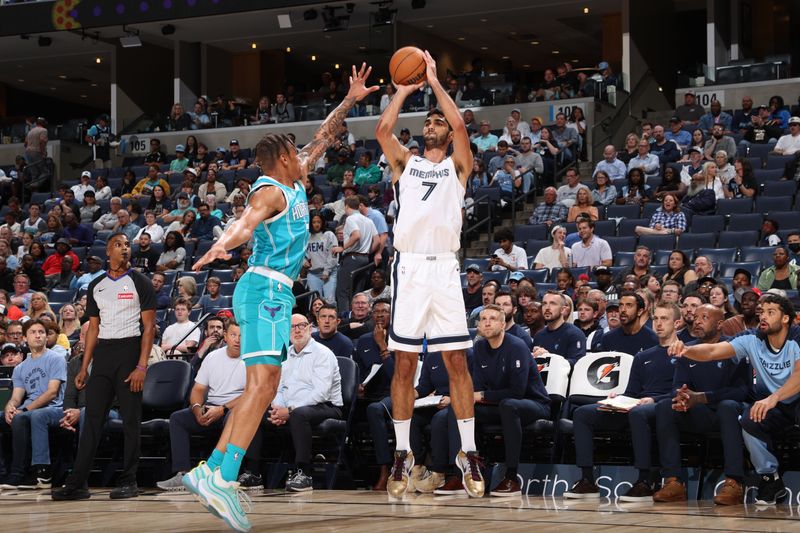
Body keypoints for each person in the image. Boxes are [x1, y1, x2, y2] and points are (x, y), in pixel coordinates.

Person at [181, 64, 375, 531]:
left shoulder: (293, 176)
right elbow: (245, 221)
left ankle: (212, 473)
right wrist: (221, 244)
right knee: (264, 386)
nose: (304, 153)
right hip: (264, 287)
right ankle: (220, 476)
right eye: (296, 150)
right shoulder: (270, 191)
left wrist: (350, 99)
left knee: (262, 386)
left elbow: (325, 136)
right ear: (284, 157)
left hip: (275, 291)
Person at [375, 50, 483, 499]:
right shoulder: (406, 164)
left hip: (445, 268)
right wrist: (402, 91)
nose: (434, 124)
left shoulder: (458, 166)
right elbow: (382, 129)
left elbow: (461, 127)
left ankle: (469, 451)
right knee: (405, 362)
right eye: (430, 122)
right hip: (412, 267)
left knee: (456, 361)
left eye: (438, 121)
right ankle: (402, 452)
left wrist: (436, 82)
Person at [52, 232, 156, 501]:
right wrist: (85, 367)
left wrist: (142, 367)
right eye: (119, 245)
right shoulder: (96, 285)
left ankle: (129, 480)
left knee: (131, 420)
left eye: (127, 245)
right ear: (108, 251)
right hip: (104, 355)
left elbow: (148, 329)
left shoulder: (140, 282)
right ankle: (78, 483)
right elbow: (93, 330)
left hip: (130, 350)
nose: (125, 249)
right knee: (92, 420)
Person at [668, 293, 800, 506]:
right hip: (773, 405)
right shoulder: (751, 339)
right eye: (761, 312)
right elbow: (712, 351)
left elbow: (799, 375)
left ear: (785, 318)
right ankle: (770, 479)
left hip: (792, 400)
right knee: (748, 419)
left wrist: (773, 397)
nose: (763, 317)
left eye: (770, 312)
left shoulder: (797, 337)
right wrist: (687, 350)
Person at [564, 302, 681, 501]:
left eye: (665, 319)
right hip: (639, 406)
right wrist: (617, 399)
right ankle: (587, 480)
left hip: (666, 407)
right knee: (582, 413)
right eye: (656, 319)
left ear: (677, 323)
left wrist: (652, 399)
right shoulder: (643, 356)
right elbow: (632, 392)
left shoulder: (684, 352)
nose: (659, 324)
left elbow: (680, 391)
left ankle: (645, 481)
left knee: (638, 413)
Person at [652, 304, 748, 504]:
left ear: (720, 323)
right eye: (695, 317)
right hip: (701, 413)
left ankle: (734, 482)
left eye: (704, 317)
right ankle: (673, 481)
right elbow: (677, 386)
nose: (697, 321)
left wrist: (702, 397)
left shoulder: (734, 347)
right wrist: (682, 397)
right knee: (664, 407)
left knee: (728, 406)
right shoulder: (687, 349)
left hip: (730, 413)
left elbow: (742, 391)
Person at [156, 321, 264, 492]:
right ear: (226, 336)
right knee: (178, 418)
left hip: (235, 409)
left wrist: (223, 409)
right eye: (233, 335)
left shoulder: (253, 360)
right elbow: (198, 389)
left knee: (239, 416)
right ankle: (182, 474)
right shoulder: (213, 357)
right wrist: (197, 408)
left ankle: (234, 474)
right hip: (212, 407)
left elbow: (252, 393)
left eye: (242, 335)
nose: (237, 340)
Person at [459, 304, 550, 497]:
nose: (487, 323)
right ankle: (470, 471)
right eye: (483, 319)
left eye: (492, 318)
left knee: (509, 405)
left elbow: (517, 392)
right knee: (463, 409)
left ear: (502, 324)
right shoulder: (479, 347)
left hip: (533, 403)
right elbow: (478, 386)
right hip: (500, 405)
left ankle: (511, 476)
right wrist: (476, 396)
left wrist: (483, 396)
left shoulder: (517, 346)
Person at [266, 314, 342, 492]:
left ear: (310, 328)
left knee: (299, 415)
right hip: (292, 407)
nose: (297, 330)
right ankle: (253, 472)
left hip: (328, 406)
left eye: (301, 325)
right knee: (260, 414)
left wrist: (290, 410)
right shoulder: (285, 355)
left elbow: (321, 393)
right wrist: (278, 409)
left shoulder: (323, 354)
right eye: (292, 327)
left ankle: (304, 474)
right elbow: (278, 388)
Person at [0, 319, 66, 490]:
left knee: (28, 416)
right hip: (29, 409)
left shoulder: (56, 359)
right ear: (24, 338)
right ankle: (3, 471)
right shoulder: (20, 368)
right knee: (3, 417)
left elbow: (52, 392)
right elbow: (16, 397)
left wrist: (24, 409)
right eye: (33, 332)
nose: (38, 335)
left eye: (41, 332)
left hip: (55, 408)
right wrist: (10, 407)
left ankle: (37, 472)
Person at [531, 290, 587, 366]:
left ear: (563, 309)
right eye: (544, 304)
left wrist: (550, 358)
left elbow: (578, 363)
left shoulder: (574, 334)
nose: (547, 308)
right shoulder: (539, 335)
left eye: (552, 304)